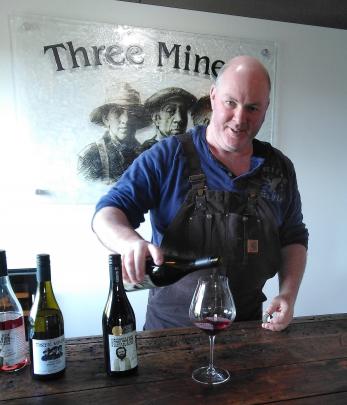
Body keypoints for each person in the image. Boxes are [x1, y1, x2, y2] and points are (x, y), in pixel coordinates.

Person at [92, 55, 308, 332]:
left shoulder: (279, 168)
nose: (240, 118)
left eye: (252, 107)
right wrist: (129, 243)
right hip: (170, 333)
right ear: (214, 97)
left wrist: (288, 294)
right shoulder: (168, 155)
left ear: (266, 107)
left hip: (248, 329)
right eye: (231, 102)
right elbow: (108, 212)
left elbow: (293, 237)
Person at [78, 82, 149, 184]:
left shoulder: (147, 154)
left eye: (132, 113)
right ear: (106, 119)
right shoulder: (92, 155)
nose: (126, 119)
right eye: (118, 112)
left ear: (138, 119)